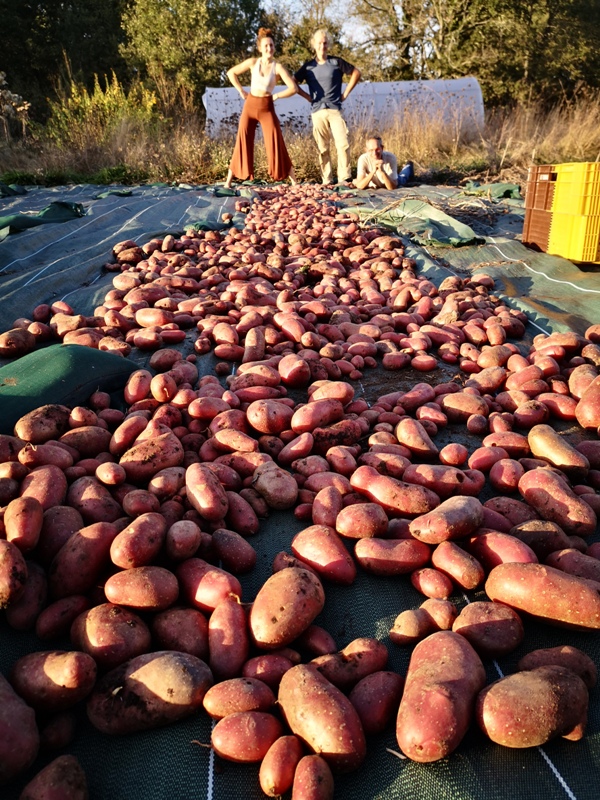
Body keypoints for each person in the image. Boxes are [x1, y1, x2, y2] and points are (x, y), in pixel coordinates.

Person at [224, 28, 297, 189]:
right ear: (260, 48)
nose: (269, 49)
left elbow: (293, 88)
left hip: (266, 107)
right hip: (250, 105)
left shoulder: (278, 67)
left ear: (274, 47)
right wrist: (241, 90)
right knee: (242, 139)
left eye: (271, 45)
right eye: (266, 46)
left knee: (275, 139)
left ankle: (294, 181)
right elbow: (231, 73)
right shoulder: (252, 62)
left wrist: (277, 96)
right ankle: (228, 182)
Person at [294, 29, 361, 185]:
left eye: (325, 43)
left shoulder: (336, 62)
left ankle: (344, 178)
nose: (322, 46)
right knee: (322, 148)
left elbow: (356, 72)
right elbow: (293, 82)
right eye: (319, 43)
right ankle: (327, 179)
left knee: (343, 144)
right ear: (314, 45)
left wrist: (345, 94)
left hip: (335, 109)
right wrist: (308, 97)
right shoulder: (308, 66)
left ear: (328, 45)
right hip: (317, 111)